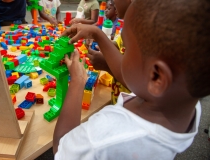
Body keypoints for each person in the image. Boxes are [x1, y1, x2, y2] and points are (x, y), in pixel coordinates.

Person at [53, 0, 210, 160]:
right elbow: (136, 79)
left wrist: (78, 81)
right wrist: (97, 34)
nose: (121, 53)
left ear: (156, 76)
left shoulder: (102, 136)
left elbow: (61, 150)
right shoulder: (185, 102)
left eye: (125, 49)